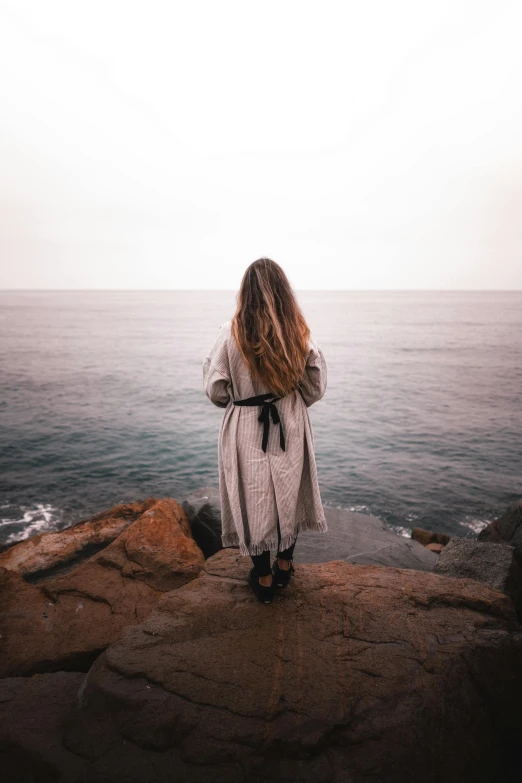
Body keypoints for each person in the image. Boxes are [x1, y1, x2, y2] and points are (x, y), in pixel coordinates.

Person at [202, 257, 328, 604]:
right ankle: (285, 564)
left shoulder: (229, 333)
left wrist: (241, 397)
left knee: (253, 496)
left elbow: (215, 390)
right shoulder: (299, 332)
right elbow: (315, 387)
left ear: (246, 292)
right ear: (284, 292)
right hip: (288, 417)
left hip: (245, 422)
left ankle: (265, 575)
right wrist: (286, 393)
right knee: (289, 490)